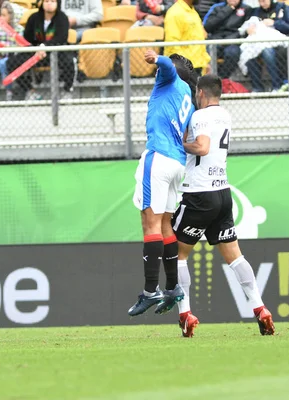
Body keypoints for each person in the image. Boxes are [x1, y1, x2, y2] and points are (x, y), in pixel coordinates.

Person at [171, 74, 275, 337]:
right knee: (235, 256)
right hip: (222, 193)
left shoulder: (199, 116)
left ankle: (185, 314)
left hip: (198, 194)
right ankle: (260, 308)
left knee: (176, 254)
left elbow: (203, 147)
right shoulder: (225, 115)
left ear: (201, 93)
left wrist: (180, 144)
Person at [127, 50, 198, 317]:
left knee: (150, 222)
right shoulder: (187, 98)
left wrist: (156, 58)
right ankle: (172, 287)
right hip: (177, 163)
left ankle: (149, 291)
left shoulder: (169, 80)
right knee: (165, 223)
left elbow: (167, 66)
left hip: (158, 157)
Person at [6, 0, 72, 100]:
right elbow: (28, 38)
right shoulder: (34, 18)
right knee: (12, 62)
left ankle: (67, 91)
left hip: (56, 51)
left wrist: (45, 46)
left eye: (52, 1)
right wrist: (34, 47)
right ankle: (30, 90)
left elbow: (61, 38)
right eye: (46, 1)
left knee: (70, 61)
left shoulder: (62, 18)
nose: (49, 3)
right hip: (35, 52)